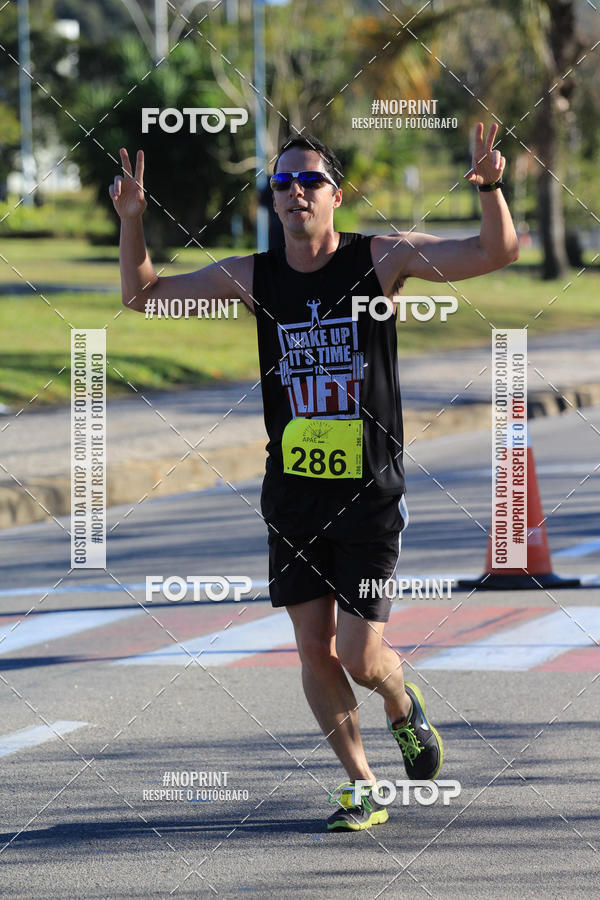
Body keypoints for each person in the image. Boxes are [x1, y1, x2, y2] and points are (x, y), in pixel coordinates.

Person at [110, 123, 519, 831]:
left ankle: (401, 702)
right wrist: (133, 222)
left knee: (363, 656)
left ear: (336, 194)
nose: (295, 192)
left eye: (309, 181)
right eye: (282, 183)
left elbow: (496, 251)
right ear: (273, 198)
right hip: (294, 493)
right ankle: (362, 786)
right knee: (311, 647)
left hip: (369, 494)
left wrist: (488, 186)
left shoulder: (380, 259)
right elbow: (144, 294)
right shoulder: (253, 275)